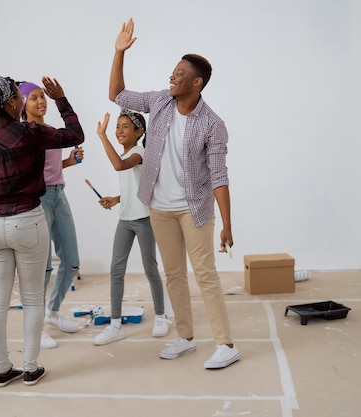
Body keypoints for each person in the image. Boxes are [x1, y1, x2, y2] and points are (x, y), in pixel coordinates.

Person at [108, 18, 240, 369]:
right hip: (158, 206)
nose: (172, 76)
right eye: (173, 71)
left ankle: (226, 344)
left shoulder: (213, 124)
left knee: (206, 274)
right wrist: (118, 52)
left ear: (196, 83)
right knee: (174, 274)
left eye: (180, 73)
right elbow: (117, 95)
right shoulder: (161, 102)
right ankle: (185, 337)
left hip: (194, 208)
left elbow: (219, 175)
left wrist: (226, 224)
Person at [0, 75, 84, 387]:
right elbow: (74, 134)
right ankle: (30, 367)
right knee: (32, 299)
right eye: (18, 95)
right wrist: (61, 100)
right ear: (11, 103)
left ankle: (2, 369)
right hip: (28, 221)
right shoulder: (28, 133)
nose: (20, 100)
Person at [93, 109, 170, 346]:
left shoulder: (139, 153)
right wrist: (116, 199)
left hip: (145, 219)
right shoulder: (129, 156)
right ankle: (115, 325)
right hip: (125, 219)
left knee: (150, 268)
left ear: (140, 132)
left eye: (126, 126)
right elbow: (134, 186)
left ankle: (161, 316)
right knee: (116, 270)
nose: (119, 130)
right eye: (118, 126)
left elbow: (119, 166)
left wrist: (102, 136)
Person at [18, 81, 84, 349]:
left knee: (72, 262)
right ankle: (36, 326)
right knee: (42, 267)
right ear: (23, 105)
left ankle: (53, 312)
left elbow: (53, 166)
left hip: (60, 196)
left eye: (42, 96)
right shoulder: (24, 134)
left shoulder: (52, 133)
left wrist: (71, 161)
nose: (41, 101)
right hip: (39, 199)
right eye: (34, 98)